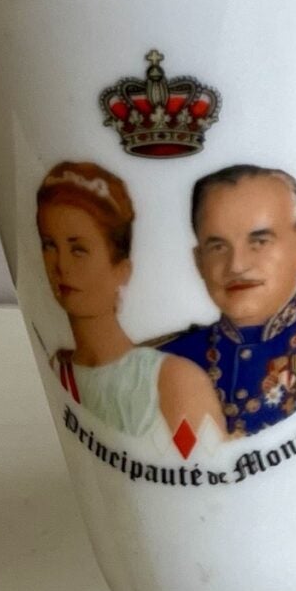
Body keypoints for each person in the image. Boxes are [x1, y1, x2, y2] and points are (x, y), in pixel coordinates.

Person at [160, 164, 296, 436]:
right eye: (218, 247)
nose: (237, 265)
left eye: (259, 242)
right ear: (199, 262)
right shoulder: (163, 360)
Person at [35, 161, 224, 450]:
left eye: (78, 249)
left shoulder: (171, 380)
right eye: (49, 245)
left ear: (121, 270)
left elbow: (208, 462)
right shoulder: (58, 370)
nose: (60, 265)